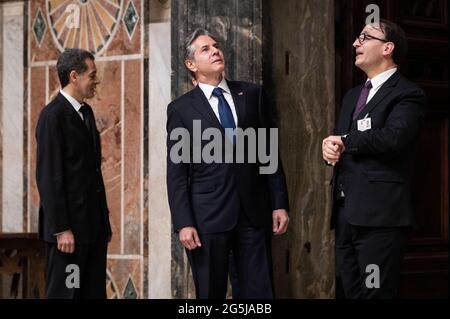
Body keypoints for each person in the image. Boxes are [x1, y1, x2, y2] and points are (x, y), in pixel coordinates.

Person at [167, 28, 290, 298]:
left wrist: (279, 202)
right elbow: (177, 173)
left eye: (216, 45)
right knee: (210, 294)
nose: (215, 51)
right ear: (191, 65)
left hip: (253, 213)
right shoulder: (181, 109)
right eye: (205, 49)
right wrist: (183, 222)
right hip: (207, 219)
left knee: (260, 293)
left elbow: (268, 154)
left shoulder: (253, 95)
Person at [322, 19, 426, 298]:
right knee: (351, 292)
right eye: (358, 37)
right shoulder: (353, 95)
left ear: (387, 48)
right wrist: (330, 151)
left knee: (375, 294)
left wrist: (344, 142)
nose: (356, 43)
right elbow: (344, 142)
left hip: (380, 219)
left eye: (365, 37)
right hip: (346, 215)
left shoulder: (407, 94)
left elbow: (394, 138)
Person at [36, 48, 112, 298]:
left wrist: (104, 222)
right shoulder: (52, 116)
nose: (96, 81)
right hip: (68, 237)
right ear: (74, 76)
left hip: (93, 231)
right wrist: (61, 229)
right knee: (67, 295)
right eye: (92, 75)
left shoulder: (86, 113)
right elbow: (49, 177)